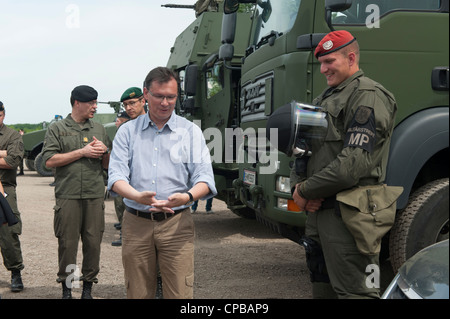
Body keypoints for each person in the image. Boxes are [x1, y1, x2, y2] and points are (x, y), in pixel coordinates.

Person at [290, 30, 398, 299]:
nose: (323, 69)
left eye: (330, 61)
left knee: (356, 293)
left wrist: (305, 192)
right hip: (319, 216)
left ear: (351, 58)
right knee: (322, 289)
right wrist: (299, 189)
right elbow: (302, 150)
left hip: (349, 217)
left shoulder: (368, 96)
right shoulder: (324, 99)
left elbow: (352, 164)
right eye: (321, 63)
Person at [108, 67, 217, 299]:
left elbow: (205, 178)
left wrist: (187, 197)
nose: (165, 103)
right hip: (136, 223)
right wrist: (137, 196)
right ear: (146, 94)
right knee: (137, 292)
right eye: (159, 96)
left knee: (180, 292)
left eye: (171, 97)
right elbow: (116, 176)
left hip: (177, 224)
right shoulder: (127, 132)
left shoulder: (190, 132)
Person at [41, 86, 112, 299]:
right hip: (68, 195)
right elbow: (49, 161)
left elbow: (107, 165)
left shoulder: (99, 129)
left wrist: (105, 151)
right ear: (76, 103)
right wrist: (82, 152)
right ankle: (67, 289)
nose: (95, 107)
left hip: (94, 195)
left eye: (96, 102)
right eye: (91, 103)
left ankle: (88, 289)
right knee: (68, 244)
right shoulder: (57, 129)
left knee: (93, 243)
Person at [110, 88, 147, 247]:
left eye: (132, 103)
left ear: (143, 101)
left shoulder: (159, 125)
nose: (129, 108)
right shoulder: (126, 130)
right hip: (130, 186)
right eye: (126, 105)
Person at [0, 101, 25, 293]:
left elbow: (13, 161)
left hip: (4, 188)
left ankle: (15, 272)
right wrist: (3, 153)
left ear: (3, 115)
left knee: (9, 232)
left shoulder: (12, 136)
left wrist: (7, 156)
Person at [111, 111, 130, 247]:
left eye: (118, 120)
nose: (116, 123)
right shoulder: (122, 131)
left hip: (125, 179)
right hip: (120, 177)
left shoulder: (126, 131)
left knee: (123, 207)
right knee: (120, 206)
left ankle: (124, 236)